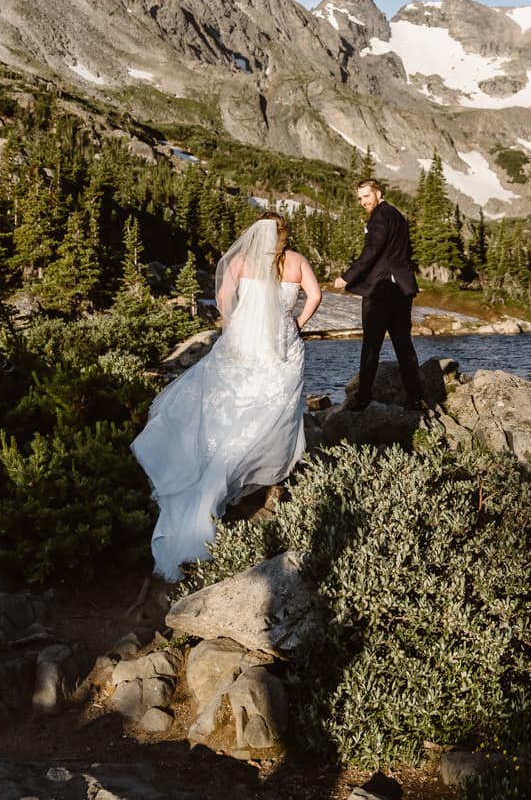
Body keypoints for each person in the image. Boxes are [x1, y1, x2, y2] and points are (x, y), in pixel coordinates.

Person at [132, 213, 322, 581]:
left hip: (244, 344)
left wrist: (236, 327)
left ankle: (212, 474)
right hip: (282, 344)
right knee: (271, 407)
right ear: (284, 236)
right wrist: (296, 322)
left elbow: (223, 297)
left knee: (230, 404)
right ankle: (248, 468)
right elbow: (314, 296)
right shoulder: (296, 261)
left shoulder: (240, 260)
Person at [333, 179, 424, 411]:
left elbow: (372, 251)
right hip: (402, 289)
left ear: (378, 193)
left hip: (382, 290)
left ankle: (363, 397)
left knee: (371, 345)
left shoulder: (380, 217)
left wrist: (347, 277)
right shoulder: (396, 215)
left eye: (366, 196)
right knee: (403, 345)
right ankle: (415, 397)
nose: (363, 201)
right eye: (360, 198)